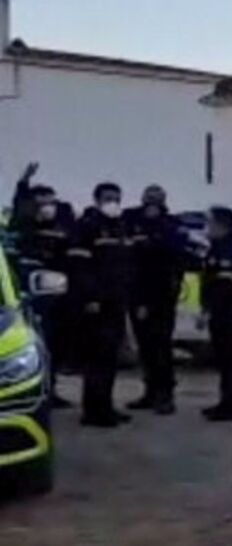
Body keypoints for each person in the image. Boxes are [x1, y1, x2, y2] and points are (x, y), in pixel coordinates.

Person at [9, 164, 76, 407]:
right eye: (43, 202)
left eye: (51, 202)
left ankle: (51, 389)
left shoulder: (62, 225)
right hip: (32, 297)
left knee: (56, 345)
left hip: (58, 294)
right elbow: (19, 205)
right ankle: (32, 390)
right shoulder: (24, 226)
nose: (48, 206)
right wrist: (24, 181)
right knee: (34, 345)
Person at [70, 183, 136, 428]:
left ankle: (105, 405)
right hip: (96, 303)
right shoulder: (87, 227)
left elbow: (126, 264)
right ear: (97, 200)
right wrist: (90, 298)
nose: (113, 203)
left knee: (109, 358)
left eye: (117, 198)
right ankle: (93, 411)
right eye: (108, 198)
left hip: (116, 301)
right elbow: (80, 267)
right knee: (97, 358)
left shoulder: (120, 227)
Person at [125, 185, 188, 414]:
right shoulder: (132, 220)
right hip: (137, 293)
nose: (151, 203)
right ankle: (150, 391)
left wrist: (152, 239)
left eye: (156, 199)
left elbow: (175, 254)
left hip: (161, 295)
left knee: (161, 346)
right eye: (148, 199)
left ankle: (165, 395)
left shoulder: (171, 225)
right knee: (145, 346)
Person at [200, 205, 232, 422]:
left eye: (210, 222)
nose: (207, 227)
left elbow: (224, 286)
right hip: (219, 312)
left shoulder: (230, 251)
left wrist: (210, 309)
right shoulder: (217, 247)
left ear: (222, 226)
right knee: (223, 359)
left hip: (228, 313)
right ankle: (225, 402)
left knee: (230, 360)